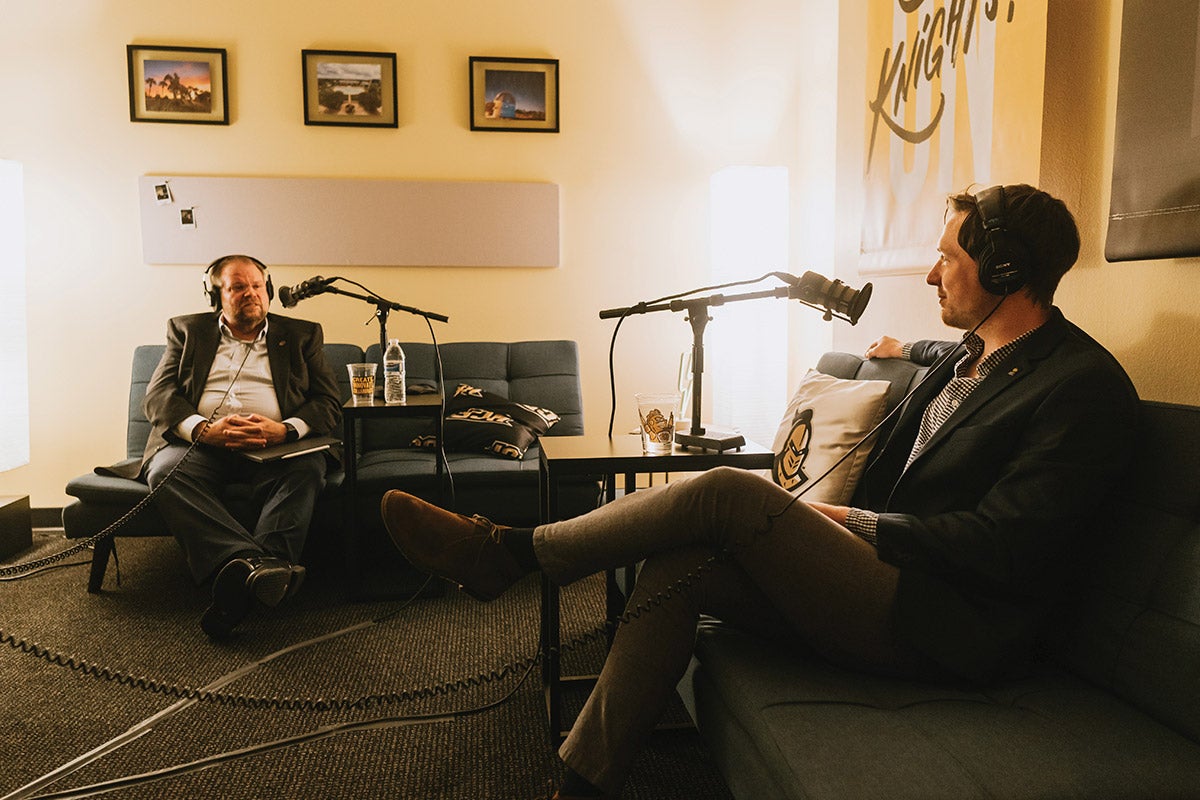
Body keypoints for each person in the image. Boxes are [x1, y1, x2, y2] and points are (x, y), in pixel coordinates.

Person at [379, 184, 1139, 799]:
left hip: (948, 623)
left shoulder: (1082, 388)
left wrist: (854, 522)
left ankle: (509, 553)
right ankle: (580, 785)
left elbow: (1009, 545)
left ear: (1004, 271)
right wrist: (903, 347)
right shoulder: (968, 355)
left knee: (726, 493)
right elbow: (943, 355)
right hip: (887, 588)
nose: (932, 275)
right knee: (679, 564)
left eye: (946, 258)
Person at [126, 254, 341, 639]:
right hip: (203, 447)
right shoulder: (187, 331)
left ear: (269, 290)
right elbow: (158, 396)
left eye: (257, 286)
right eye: (238, 287)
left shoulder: (302, 334)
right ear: (215, 295)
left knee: (308, 468)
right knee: (165, 470)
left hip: (275, 447)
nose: (250, 294)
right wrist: (201, 430)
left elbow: (327, 402)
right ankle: (258, 568)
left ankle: (239, 584)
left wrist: (286, 430)